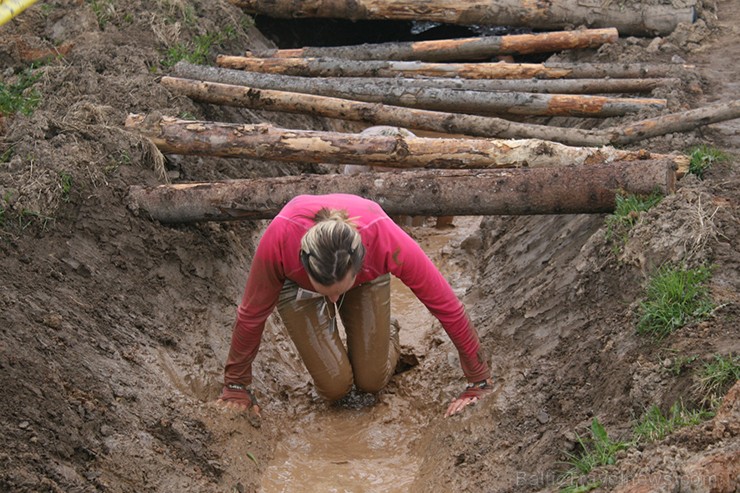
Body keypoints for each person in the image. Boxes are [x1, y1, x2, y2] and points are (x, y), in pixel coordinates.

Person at [217, 193, 492, 418]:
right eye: (327, 293)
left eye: (339, 292)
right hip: (297, 286)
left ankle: (389, 332)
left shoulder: (383, 237)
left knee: (371, 382)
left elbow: (447, 307)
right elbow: (252, 315)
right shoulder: (279, 239)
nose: (333, 301)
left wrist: (477, 381)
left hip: (365, 282)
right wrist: (236, 385)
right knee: (335, 387)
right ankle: (332, 309)